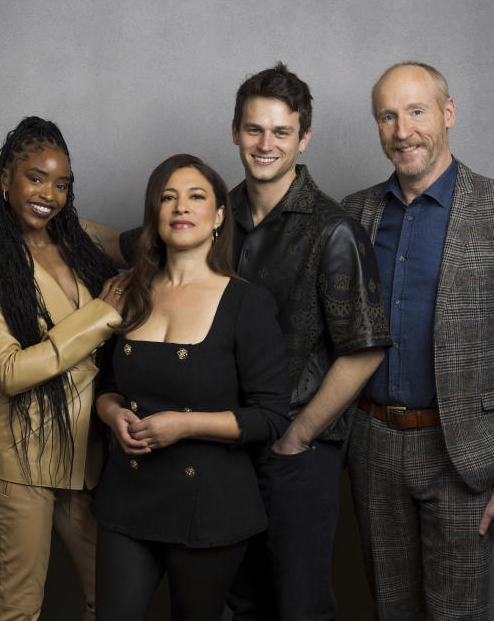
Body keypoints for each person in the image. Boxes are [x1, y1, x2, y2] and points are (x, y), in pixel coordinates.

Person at [84, 63, 390, 620]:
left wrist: (297, 435)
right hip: (224, 455)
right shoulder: (209, 211)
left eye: (280, 132)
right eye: (254, 130)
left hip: (297, 447)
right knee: (242, 603)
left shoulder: (332, 228)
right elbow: (121, 240)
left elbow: (364, 347)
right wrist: (12, 209)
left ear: (304, 138)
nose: (265, 144)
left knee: (298, 604)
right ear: (234, 132)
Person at [342, 61, 494, 620]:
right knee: (388, 607)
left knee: (457, 613)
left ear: (447, 114)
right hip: (371, 447)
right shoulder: (354, 214)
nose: (402, 130)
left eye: (416, 111)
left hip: (465, 450)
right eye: (387, 117)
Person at [93, 154, 292, 621]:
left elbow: (270, 416)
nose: (181, 207)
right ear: (155, 214)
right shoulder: (128, 291)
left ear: (219, 216)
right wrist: (110, 413)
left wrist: (182, 426)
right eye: (168, 197)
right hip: (129, 494)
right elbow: (106, 384)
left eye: (196, 197)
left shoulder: (246, 302)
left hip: (211, 504)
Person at [0, 116, 125, 621]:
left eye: (62, 184)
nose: (49, 194)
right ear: (6, 175)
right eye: (35, 177)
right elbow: (8, 372)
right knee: (17, 608)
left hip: (86, 456)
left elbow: (161, 238)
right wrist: (101, 316)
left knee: (114, 599)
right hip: (18, 458)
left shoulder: (86, 243)